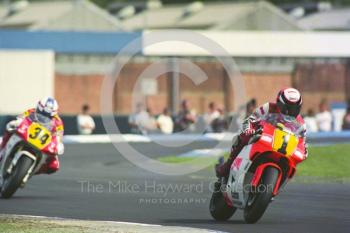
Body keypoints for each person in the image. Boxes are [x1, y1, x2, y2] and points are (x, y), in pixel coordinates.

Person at [216, 88, 307, 178]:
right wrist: (249, 129)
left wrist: (304, 153)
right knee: (244, 137)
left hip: (282, 146)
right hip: (262, 135)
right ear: (279, 103)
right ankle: (226, 167)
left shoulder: (301, 124)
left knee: (292, 163)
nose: (290, 112)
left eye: (294, 108)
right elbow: (250, 119)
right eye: (287, 108)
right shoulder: (268, 107)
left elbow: (302, 143)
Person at [0, 97, 64, 175]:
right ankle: (2, 150)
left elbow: (59, 135)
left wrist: (58, 143)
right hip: (27, 134)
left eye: (48, 117)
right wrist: (18, 122)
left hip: (43, 141)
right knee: (10, 128)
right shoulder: (31, 111)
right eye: (41, 113)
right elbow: (20, 118)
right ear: (38, 108)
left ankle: (34, 170)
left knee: (54, 165)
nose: (44, 117)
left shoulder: (58, 122)